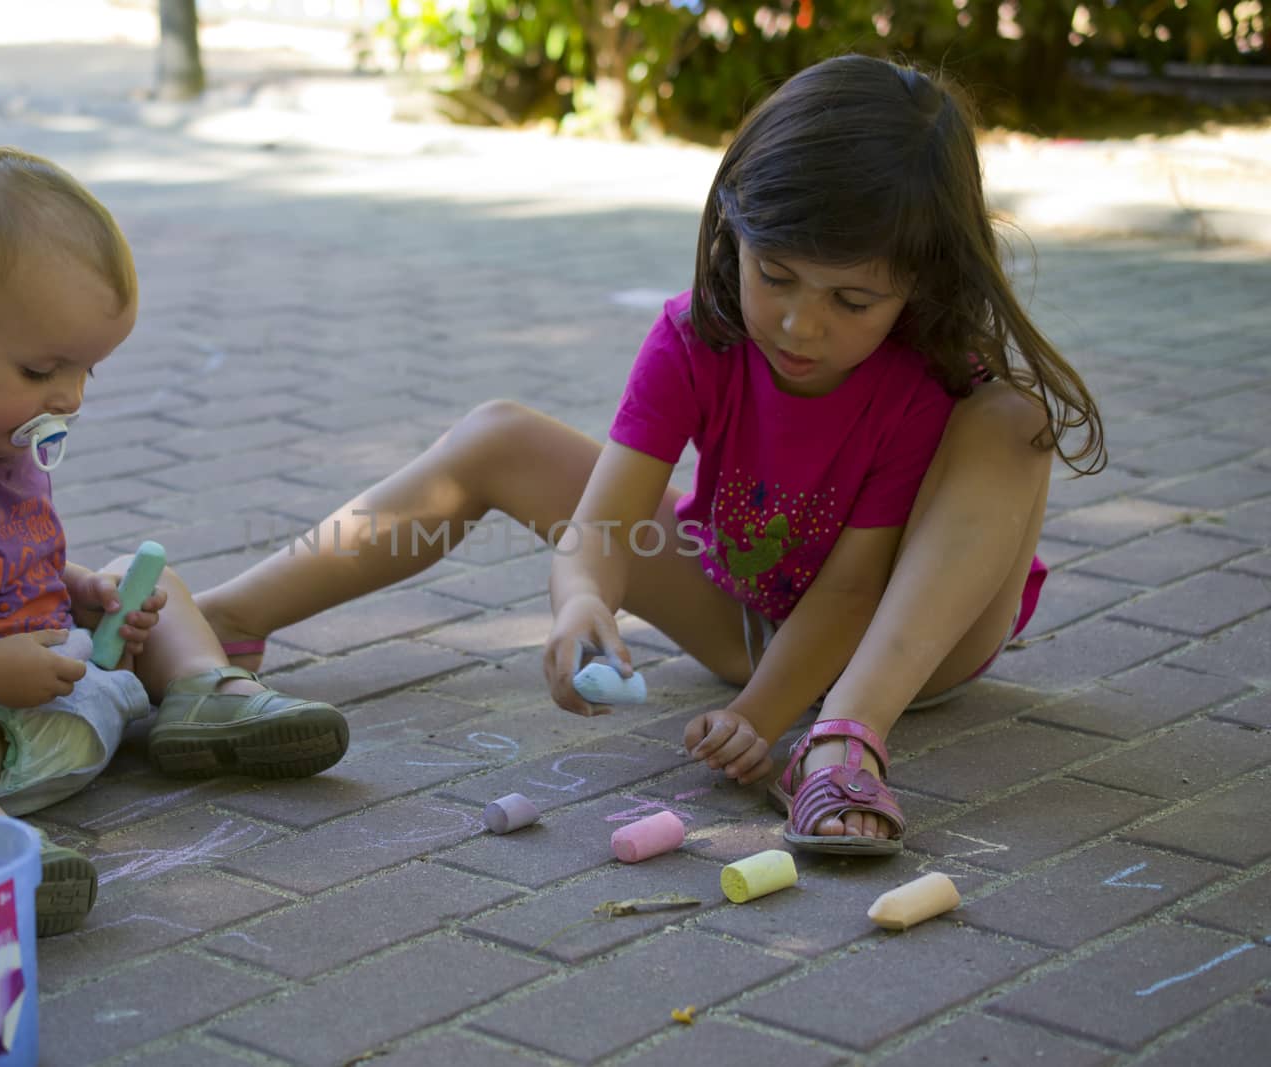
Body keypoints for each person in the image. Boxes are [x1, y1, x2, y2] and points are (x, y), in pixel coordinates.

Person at [193, 55, 1104, 856]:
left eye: (850, 300)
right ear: (733, 231)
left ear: (920, 281)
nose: (799, 322)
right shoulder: (695, 335)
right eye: (774, 274)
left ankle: (846, 738)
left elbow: (854, 588)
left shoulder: (925, 378)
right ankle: (215, 623)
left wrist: (763, 717)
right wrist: (584, 599)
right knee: (497, 433)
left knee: (1014, 419)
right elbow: (603, 524)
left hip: (911, 648)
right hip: (753, 617)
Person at [0, 147, 348, 936]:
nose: (71, 396)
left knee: (143, 572)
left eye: (88, 372)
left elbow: (6, 561)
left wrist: (85, 590)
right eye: (43, 367)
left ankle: (205, 698)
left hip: (63, 684)